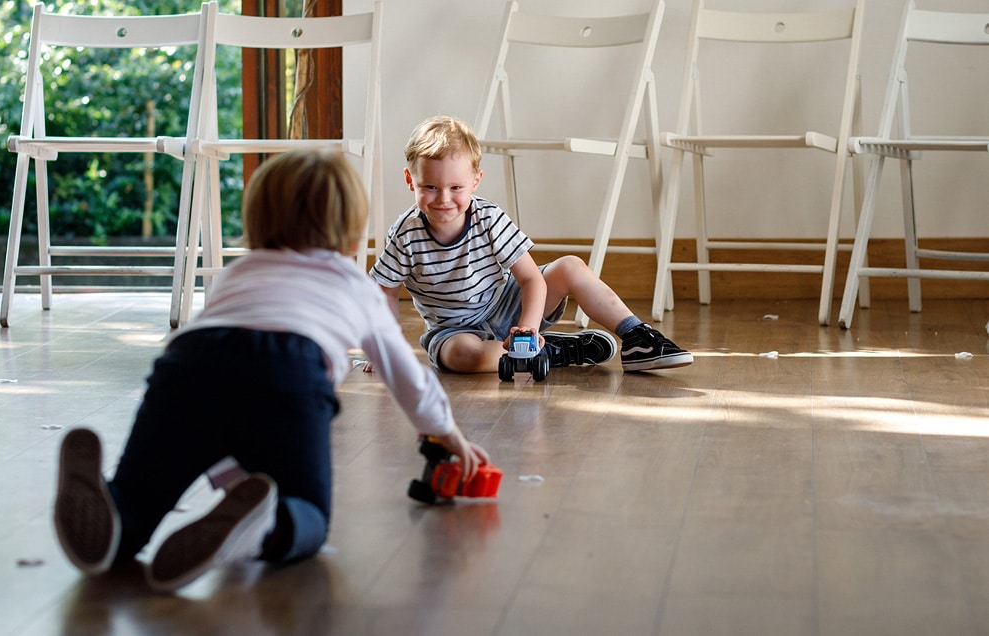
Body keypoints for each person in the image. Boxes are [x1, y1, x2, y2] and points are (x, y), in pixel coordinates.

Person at [53, 149, 490, 593]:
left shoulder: (238, 272)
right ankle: (264, 528)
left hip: (187, 366)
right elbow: (403, 371)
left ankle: (117, 520)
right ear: (351, 231)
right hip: (288, 371)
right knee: (308, 516)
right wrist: (444, 429)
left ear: (258, 220)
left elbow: (223, 412)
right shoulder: (352, 281)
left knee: (140, 497)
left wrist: (231, 480)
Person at [370, 115, 692, 375]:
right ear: (410, 180)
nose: (443, 199)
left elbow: (530, 278)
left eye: (456, 187)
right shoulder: (405, 235)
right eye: (430, 186)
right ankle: (548, 351)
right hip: (454, 330)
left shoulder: (488, 217)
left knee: (570, 266)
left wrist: (527, 325)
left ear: (475, 181)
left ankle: (637, 338)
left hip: (508, 305)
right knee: (463, 358)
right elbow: (385, 289)